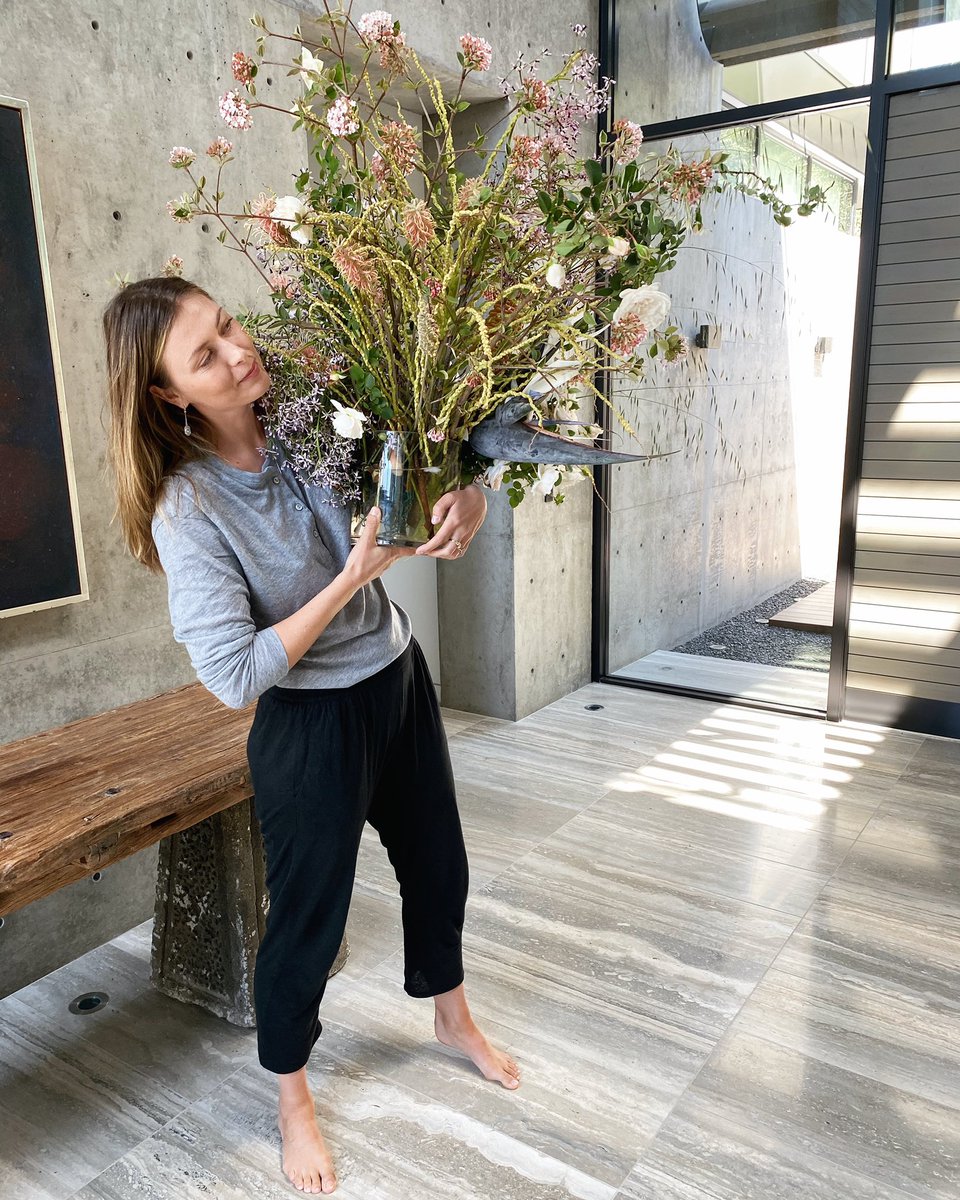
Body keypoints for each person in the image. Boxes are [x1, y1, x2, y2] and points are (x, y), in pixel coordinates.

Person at [102, 276, 520, 1196]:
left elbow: (433, 458)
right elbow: (233, 675)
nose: (237, 352)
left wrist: (470, 496)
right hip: (308, 725)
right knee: (306, 923)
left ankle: (450, 1015)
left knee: (439, 866)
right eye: (204, 355)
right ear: (167, 394)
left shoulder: (316, 404)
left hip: (396, 677)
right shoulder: (191, 507)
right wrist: (350, 579)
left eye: (228, 326)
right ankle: (292, 1098)